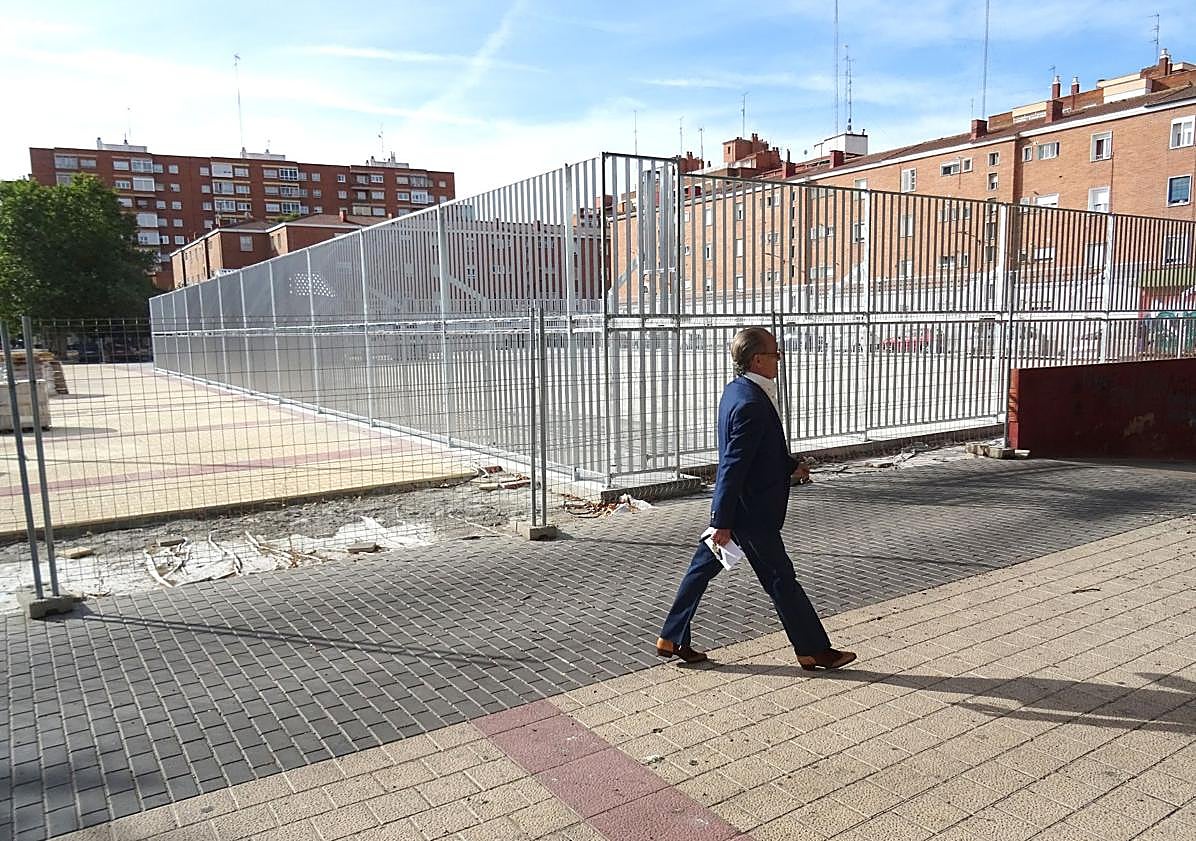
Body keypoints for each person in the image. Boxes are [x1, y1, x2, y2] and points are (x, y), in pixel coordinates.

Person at [655, 327, 856, 672]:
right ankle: (814, 650)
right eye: (776, 353)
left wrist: (791, 466)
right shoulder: (750, 402)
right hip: (751, 514)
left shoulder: (738, 391)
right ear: (758, 359)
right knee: (782, 580)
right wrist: (722, 520)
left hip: (742, 510)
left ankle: (671, 637)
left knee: (701, 570)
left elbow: (758, 451)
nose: (780, 359)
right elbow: (733, 464)